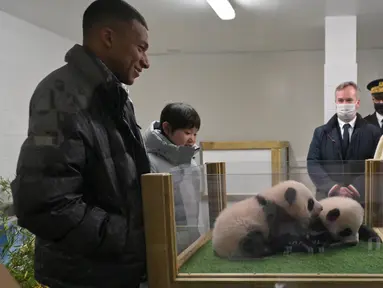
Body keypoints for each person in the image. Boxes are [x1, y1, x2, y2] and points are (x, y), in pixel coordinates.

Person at [10, 1, 151, 287]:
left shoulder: (116, 100)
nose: (146, 61)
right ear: (108, 37)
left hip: (119, 271)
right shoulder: (59, 96)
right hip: (84, 278)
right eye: (141, 47)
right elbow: (44, 203)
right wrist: (130, 238)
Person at [307, 81, 381, 204]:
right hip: (328, 200)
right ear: (336, 102)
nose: (344, 104)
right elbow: (313, 163)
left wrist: (355, 188)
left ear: (357, 103)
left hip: (362, 200)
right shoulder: (321, 132)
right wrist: (333, 187)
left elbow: (377, 166)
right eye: (340, 100)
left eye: (349, 100)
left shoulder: (373, 132)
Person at [142, 103, 202, 254]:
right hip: (163, 247)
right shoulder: (148, 162)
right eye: (188, 133)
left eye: (195, 134)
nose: (192, 140)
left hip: (190, 243)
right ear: (167, 129)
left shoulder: (192, 164)